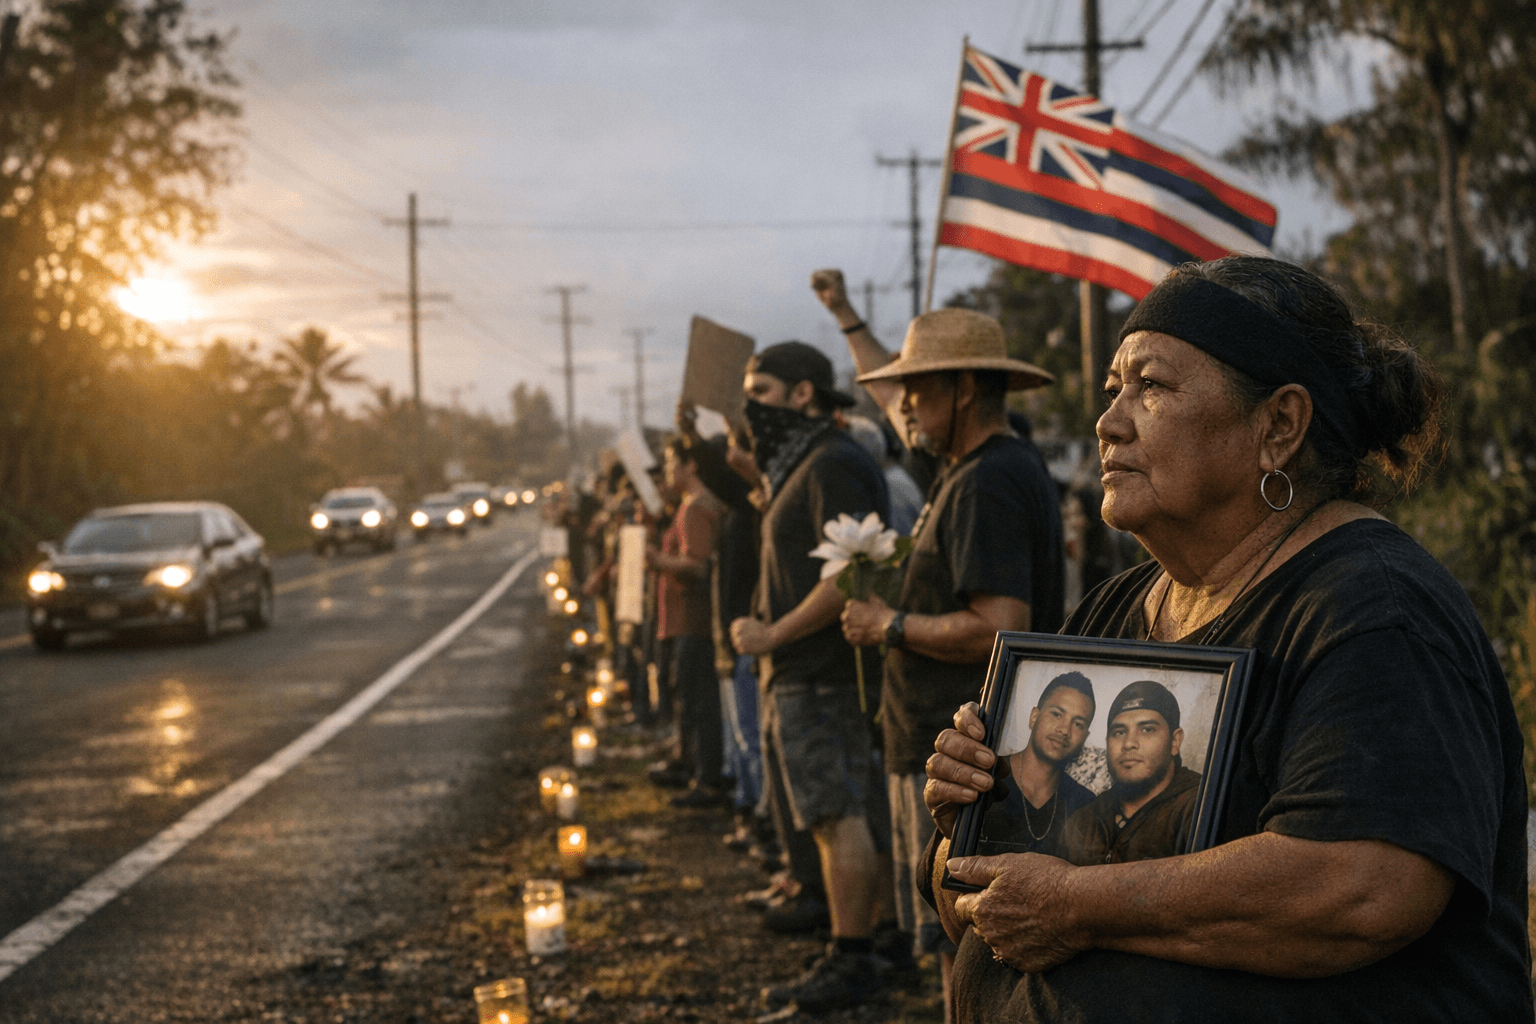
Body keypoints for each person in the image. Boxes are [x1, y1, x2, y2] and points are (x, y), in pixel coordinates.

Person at [920, 255, 1532, 1021]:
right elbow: (970, 904)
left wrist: (1080, 904)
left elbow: (1369, 887)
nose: (1109, 421)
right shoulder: (1115, 611)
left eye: (1152, 386)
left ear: (1278, 427)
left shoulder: (1376, 609)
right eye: (1115, 390)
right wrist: (972, 821)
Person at [814, 269, 1066, 1012]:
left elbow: (1001, 627)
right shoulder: (966, 469)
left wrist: (887, 624)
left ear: (962, 389)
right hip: (941, 753)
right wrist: (845, 316)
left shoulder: (987, 482)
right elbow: (890, 404)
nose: (907, 408)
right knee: (952, 942)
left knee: (966, 947)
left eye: (921, 391)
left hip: (960, 762)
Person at [727, 340, 892, 1011]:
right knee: (835, 813)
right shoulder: (804, 462)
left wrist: (774, 634)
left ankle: (851, 957)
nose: (749, 407)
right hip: (802, 671)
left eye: (760, 393)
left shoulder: (833, 461)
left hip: (820, 671)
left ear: (803, 394)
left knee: (834, 814)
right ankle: (875, 940)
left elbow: (854, 571)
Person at [646, 439, 726, 804]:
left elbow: (697, 564)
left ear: (689, 465)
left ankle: (704, 777)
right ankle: (694, 766)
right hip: (690, 620)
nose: (666, 472)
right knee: (692, 698)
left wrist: (657, 560)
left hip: (692, 621)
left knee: (697, 701)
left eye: (669, 462)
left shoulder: (695, 510)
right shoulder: (695, 505)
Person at [1056, 680, 1197, 866]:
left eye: (1147, 729)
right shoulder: (1083, 820)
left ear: (1175, 741)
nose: (1129, 743)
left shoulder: (1201, 808)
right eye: (1119, 732)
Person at [975, 673, 1096, 858]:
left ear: (1084, 738)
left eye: (1078, 724)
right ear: (1034, 717)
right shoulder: (986, 776)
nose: (1064, 729)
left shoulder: (1085, 803)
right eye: (1056, 714)